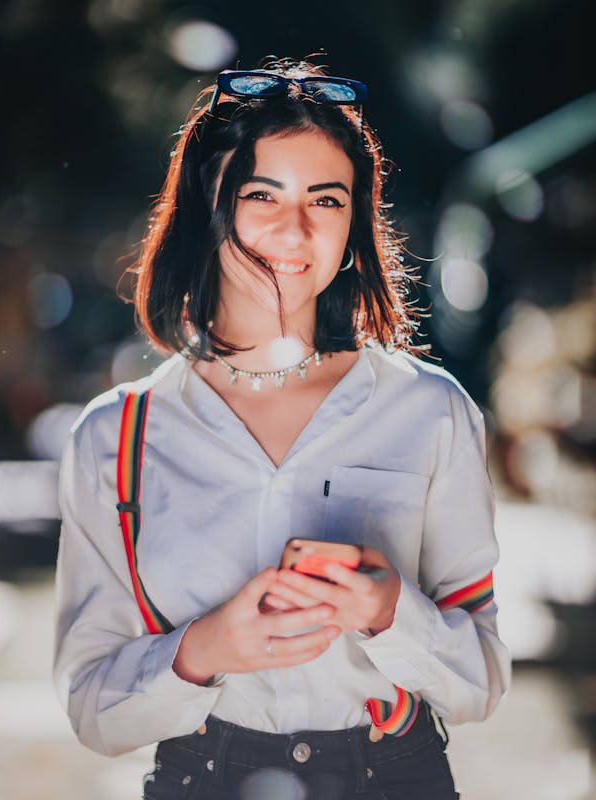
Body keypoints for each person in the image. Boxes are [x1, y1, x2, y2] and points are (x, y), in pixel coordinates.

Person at [53, 56, 510, 799]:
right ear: (209, 204)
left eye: (326, 201)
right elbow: (92, 708)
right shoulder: (115, 437)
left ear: (354, 222)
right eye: (261, 193)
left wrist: (390, 612)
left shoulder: (430, 409)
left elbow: (481, 684)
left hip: (394, 778)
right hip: (201, 780)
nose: (295, 229)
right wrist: (203, 650)